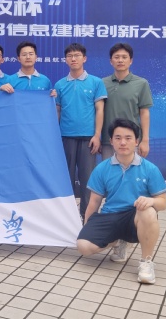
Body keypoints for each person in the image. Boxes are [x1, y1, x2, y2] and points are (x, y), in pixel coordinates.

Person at [76, 119, 166, 285]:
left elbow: (162, 203)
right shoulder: (102, 168)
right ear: (111, 141)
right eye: (117, 138)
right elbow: (94, 203)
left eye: (128, 138)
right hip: (110, 216)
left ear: (136, 141)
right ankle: (119, 242)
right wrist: (87, 228)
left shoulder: (150, 169)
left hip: (135, 217)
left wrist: (150, 201)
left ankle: (146, 263)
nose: (123, 142)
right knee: (84, 246)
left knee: (149, 211)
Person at [54, 43, 107, 218]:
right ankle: (67, 217)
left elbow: (100, 110)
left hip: (88, 138)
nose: (73, 59)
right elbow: (57, 111)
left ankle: (87, 216)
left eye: (77, 55)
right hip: (66, 137)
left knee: (87, 180)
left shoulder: (96, 82)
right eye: (69, 56)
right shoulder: (60, 84)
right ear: (65, 60)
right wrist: (54, 137)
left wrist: (97, 135)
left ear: (84, 58)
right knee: (65, 179)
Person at [101, 43, 153, 159]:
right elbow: (97, 112)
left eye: (124, 57)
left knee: (132, 170)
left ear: (131, 61)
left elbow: (144, 112)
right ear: (111, 61)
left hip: (132, 140)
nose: (120, 60)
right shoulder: (102, 83)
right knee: (110, 170)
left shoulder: (141, 83)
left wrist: (145, 140)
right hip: (108, 141)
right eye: (116, 57)